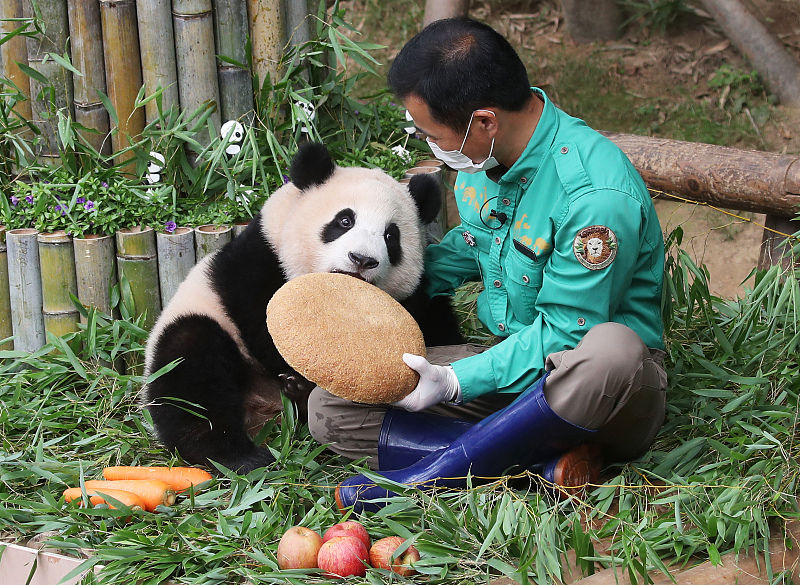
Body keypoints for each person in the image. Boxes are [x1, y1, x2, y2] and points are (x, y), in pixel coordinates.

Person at [307, 16, 668, 514]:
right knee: (331, 407)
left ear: (483, 122)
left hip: (596, 389)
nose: (429, 144)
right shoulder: (483, 162)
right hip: (513, 362)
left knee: (612, 348)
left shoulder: (593, 197)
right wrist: (378, 273)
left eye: (432, 134)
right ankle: (542, 470)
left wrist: (456, 381)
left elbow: (566, 335)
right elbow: (464, 251)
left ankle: (424, 479)